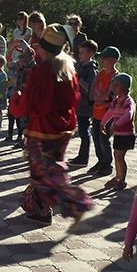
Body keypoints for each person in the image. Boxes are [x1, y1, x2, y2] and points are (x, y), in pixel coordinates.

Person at [8, 24, 93, 226]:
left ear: (44, 49)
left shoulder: (41, 71)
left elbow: (30, 102)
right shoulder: (68, 69)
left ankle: (74, 202)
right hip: (63, 129)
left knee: (43, 174)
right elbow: (74, 98)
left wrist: (15, 100)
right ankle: (39, 209)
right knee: (49, 169)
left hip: (42, 130)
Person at [100, 72, 136, 191]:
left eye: (117, 85)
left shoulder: (128, 101)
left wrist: (116, 124)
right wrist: (103, 123)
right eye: (113, 85)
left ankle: (122, 180)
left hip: (126, 134)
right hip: (118, 134)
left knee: (120, 156)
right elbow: (110, 112)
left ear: (125, 87)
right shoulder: (116, 101)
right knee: (116, 155)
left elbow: (128, 115)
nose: (114, 88)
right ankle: (118, 176)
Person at [89, 45, 121, 177]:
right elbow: (95, 89)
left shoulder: (116, 77)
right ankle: (100, 161)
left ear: (113, 60)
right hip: (96, 111)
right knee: (96, 138)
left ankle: (107, 165)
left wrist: (104, 100)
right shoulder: (101, 73)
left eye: (105, 58)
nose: (102, 60)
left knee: (104, 140)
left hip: (107, 114)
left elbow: (113, 97)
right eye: (101, 58)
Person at [69, 39, 98, 166]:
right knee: (82, 130)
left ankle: (83, 157)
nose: (79, 55)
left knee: (84, 131)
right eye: (79, 52)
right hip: (80, 104)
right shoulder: (81, 66)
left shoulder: (91, 69)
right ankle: (81, 155)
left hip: (85, 105)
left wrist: (78, 79)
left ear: (90, 53)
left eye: (82, 53)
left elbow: (90, 88)